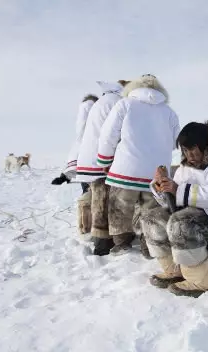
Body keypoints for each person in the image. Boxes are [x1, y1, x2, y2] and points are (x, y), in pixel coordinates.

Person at [142, 121, 208, 298]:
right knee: (152, 219)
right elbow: (174, 203)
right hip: (196, 216)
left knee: (182, 224)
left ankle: (202, 279)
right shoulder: (185, 168)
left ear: (205, 145)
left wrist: (178, 190)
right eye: (184, 150)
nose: (188, 155)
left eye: (193, 149)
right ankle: (174, 269)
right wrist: (162, 188)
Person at [96, 74, 180, 255]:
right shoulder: (169, 112)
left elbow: (108, 135)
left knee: (120, 208)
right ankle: (148, 244)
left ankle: (122, 244)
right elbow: (175, 142)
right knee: (152, 212)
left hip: (125, 170)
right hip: (156, 173)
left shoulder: (125, 104)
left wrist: (104, 160)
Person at [76, 80, 129, 255]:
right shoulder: (117, 103)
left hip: (88, 159)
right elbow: (115, 133)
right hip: (101, 160)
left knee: (96, 199)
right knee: (105, 200)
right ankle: (105, 242)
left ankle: (97, 237)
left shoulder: (101, 102)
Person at [51, 94, 98, 194]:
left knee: (88, 194)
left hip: (86, 168)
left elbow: (75, 154)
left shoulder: (81, 139)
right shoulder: (93, 133)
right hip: (97, 169)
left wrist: (64, 177)